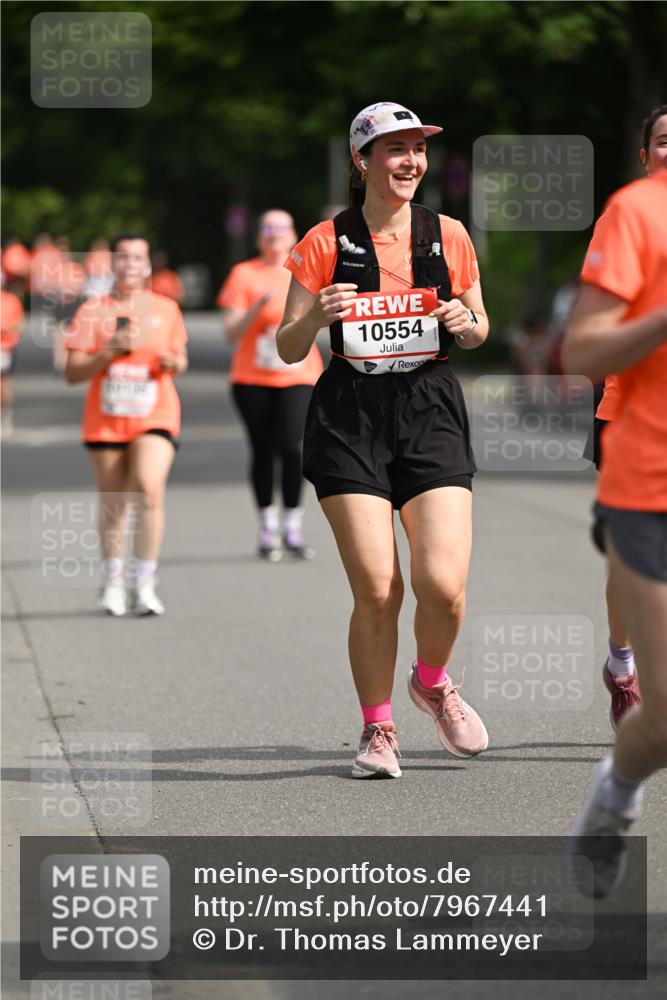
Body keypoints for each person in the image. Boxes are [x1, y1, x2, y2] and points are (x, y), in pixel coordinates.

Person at [277, 102, 489, 778]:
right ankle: (376, 731)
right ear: (360, 160)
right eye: (393, 149)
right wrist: (315, 313)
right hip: (349, 413)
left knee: (443, 586)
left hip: (428, 405)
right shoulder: (323, 239)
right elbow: (286, 347)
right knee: (377, 588)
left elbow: (479, 326)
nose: (408, 162)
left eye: (416, 150)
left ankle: (431, 681)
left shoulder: (447, 233)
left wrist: (464, 318)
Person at [563, 121, 667, 895]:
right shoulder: (634, 213)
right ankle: (614, 798)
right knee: (661, 718)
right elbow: (583, 352)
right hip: (647, 477)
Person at [582, 104, 667, 733]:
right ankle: (623, 662)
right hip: (631, 414)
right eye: (665, 142)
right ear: (645, 156)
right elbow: (589, 339)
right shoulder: (628, 215)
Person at [64, 233, 188, 616]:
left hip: (155, 413)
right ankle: (113, 580)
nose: (130, 265)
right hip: (106, 418)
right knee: (114, 502)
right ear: (112, 264)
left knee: (149, 489)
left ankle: (144, 581)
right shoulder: (91, 310)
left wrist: (172, 363)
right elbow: (72, 373)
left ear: (148, 265)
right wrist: (107, 353)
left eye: (138, 258)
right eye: (123, 257)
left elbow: (180, 359)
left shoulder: (166, 309)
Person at [217, 210, 323, 560]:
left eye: (281, 228)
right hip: (253, 378)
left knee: (292, 447)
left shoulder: (308, 271)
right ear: (258, 236)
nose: (273, 234)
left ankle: (292, 526)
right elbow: (230, 333)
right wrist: (254, 310)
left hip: (299, 375)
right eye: (267, 228)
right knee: (262, 449)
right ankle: (267, 527)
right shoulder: (244, 274)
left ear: (294, 234)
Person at [1, 270, 25, 437]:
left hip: (5, 347)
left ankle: (5, 416)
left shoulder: (11, 301)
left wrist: (5, 330)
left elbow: (19, 325)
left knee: (3, 384)